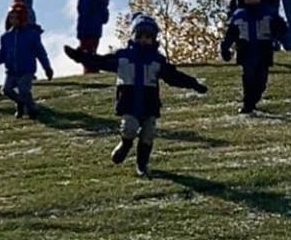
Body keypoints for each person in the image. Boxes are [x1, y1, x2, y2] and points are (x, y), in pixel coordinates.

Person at [76, 13, 206, 178]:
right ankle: (125, 145)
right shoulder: (122, 57)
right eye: (140, 36)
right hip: (129, 103)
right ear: (133, 36)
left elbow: (174, 76)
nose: (144, 40)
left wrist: (194, 84)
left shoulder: (157, 60)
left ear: (153, 39)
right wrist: (80, 57)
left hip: (149, 104)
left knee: (148, 134)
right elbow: (100, 61)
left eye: (148, 37)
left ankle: (142, 164)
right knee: (129, 128)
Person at [221, 0, 286, 114]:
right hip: (245, 53)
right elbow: (230, 34)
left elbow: (282, 28)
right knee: (248, 78)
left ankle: (253, 100)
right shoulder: (238, 16)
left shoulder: (269, 13)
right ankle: (247, 104)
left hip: (263, 52)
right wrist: (225, 48)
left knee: (261, 82)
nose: (252, 1)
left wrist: (278, 31)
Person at [0, 0, 53, 118]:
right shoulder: (6, 37)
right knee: (6, 90)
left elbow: (40, 52)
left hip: (26, 70)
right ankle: (20, 103)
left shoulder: (31, 34)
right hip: (11, 71)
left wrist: (47, 67)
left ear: (22, 18)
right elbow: (3, 54)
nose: (12, 20)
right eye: (11, 17)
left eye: (15, 17)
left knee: (24, 90)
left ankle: (31, 109)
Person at [72, 0, 109, 66]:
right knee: (92, 50)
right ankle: (91, 65)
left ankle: (89, 68)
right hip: (96, 31)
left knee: (86, 53)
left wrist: (81, 32)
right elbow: (105, 17)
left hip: (86, 31)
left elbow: (83, 15)